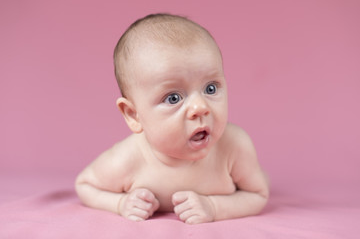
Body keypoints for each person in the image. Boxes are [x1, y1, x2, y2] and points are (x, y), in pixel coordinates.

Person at [75, 13, 269, 224]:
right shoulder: (129, 158)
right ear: (133, 115)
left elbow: (258, 195)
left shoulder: (233, 146)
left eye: (210, 88)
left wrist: (214, 207)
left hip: (246, 175)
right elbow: (85, 185)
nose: (200, 107)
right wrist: (121, 204)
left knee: (259, 176)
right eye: (173, 98)